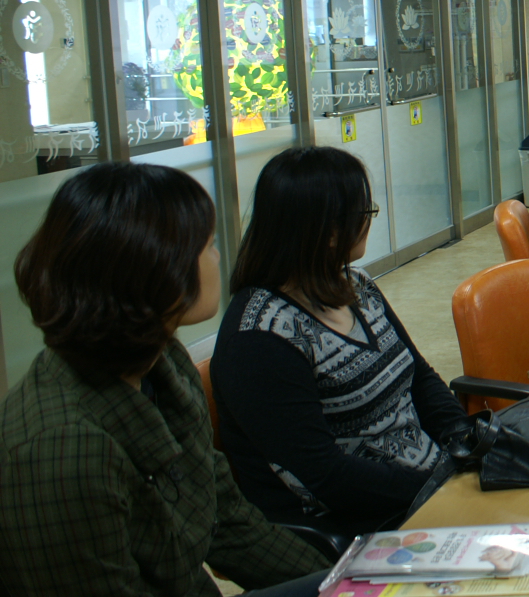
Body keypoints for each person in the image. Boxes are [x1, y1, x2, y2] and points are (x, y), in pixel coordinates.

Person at [0, 162, 329, 597]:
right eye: (207, 245)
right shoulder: (63, 447)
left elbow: (227, 521)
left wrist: (346, 582)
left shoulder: (162, 362)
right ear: (153, 268)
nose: (217, 256)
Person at [212, 146, 472, 539]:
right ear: (330, 233)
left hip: (433, 486)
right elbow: (327, 475)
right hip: (368, 520)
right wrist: (440, 484)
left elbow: (418, 375)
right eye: (364, 214)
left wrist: (464, 442)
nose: (369, 222)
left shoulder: (356, 285)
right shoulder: (259, 338)